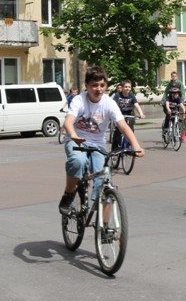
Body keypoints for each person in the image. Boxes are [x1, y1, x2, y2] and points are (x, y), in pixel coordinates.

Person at [58, 66, 144, 215]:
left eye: (102, 85)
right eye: (94, 85)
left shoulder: (109, 103)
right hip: (77, 140)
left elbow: (123, 125)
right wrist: (73, 135)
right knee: (78, 161)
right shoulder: (79, 100)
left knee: (104, 180)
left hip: (97, 144)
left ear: (106, 86)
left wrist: (136, 146)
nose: (98, 89)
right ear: (87, 86)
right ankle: (69, 194)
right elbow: (68, 121)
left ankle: (104, 226)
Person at [111, 79, 146, 148]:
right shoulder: (117, 95)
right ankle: (114, 149)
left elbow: (136, 105)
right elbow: (113, 105)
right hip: (120, 115)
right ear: (122, 87)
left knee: (131, 131)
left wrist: (141, 114)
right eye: (126, 87)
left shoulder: (131, 95)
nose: (128, 88)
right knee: (118, 131)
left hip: (130, 115)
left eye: (129, 87)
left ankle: (130, 147)